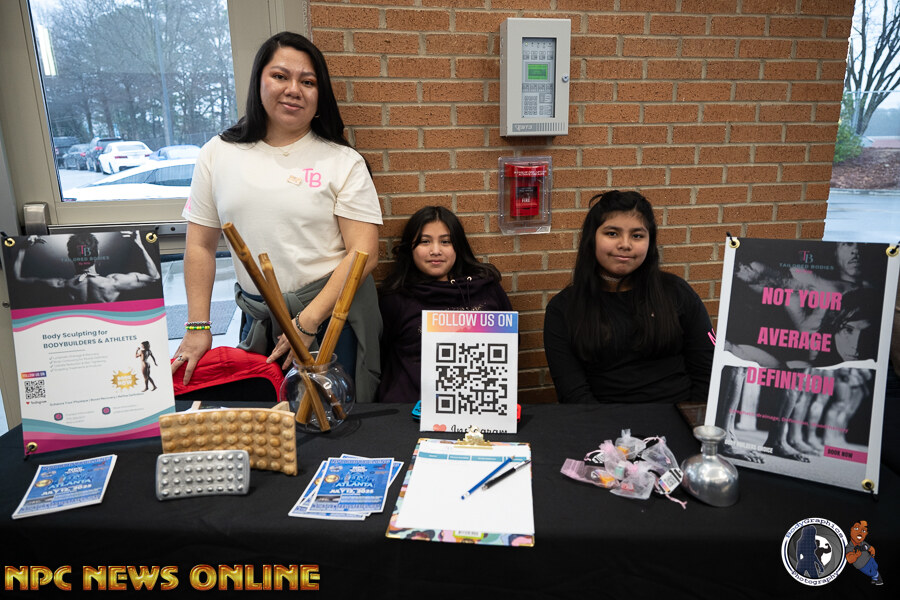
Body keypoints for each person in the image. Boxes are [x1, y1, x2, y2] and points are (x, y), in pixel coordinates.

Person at [174, 32, 382, 402]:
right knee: (267, 424)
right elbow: (200, 246)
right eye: (280, 76)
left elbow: (363, 253)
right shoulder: (218, 153)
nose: (293, 89)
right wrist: (197, 327)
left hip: (331, 318)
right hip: (260, 319)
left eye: (308, 82)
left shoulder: (342, 161)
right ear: (258, 82)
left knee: (334, 420)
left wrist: (307, 321)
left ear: (320, 95)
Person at [543, 190, 714, 404]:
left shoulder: (677, 292)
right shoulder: (564, 308)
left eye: (637, 235)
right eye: (612, 233)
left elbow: (707, 371)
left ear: (650, 242)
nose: (625, 244)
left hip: (679, 416)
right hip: (601, 421)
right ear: (592, 238)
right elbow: (573, 393)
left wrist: (692, 417)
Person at [376, 206, 512, 403]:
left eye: (445, 241)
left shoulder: (486, 288)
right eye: (425, 241)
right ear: (410, 248)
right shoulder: (395, 299)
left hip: (478, 404)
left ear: (458, 246)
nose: (436, 251)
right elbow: (381, 357)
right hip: (412, 408)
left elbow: (509, 346)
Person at [12, 231, 160, 304]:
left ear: (70, 255)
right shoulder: (113, 282)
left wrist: (23, 248)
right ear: (98, 253)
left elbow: (17, 279)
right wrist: (139, 244)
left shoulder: (62, 285)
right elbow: (155, 277)